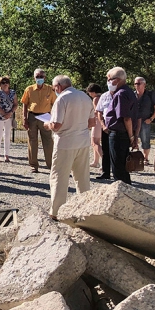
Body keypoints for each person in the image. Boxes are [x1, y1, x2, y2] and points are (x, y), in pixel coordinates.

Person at [43, 75, 95, 217]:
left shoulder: (62, 99)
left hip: (65, 143)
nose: (55, 91)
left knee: (59, 177)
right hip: (83, 141)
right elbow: (92, 123)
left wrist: (47, 124)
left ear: (58, 86)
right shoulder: (86, 97)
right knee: (83, 178)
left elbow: (56, 125)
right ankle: (84, 209)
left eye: (54, 88)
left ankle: (56, 211)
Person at [105, 67, 138, 184]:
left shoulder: (121, 94)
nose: (108, 82)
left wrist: (131, 137)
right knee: (122, 167)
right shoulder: (128, 92)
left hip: (118, 134)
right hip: (123, 134)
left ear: (117, 80)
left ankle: (123, 194)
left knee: (118, 169)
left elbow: (127, 118)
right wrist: (134, 135)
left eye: (109, 79)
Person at [21, 68, 57, 173]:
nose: (39, 78)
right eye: (37, 76)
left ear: (45, 78)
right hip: (32, 116)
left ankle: (51, 165)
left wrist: (54, 117)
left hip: (46, 117)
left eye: (41, 76)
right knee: (32, 141)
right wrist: (24, 118)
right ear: (34, 78)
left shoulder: (50, 89)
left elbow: (55, 104)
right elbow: (24, 103)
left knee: (48, 141)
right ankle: (33, 165)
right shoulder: (29, 89)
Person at [134, 77, 155, 165]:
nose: (137, 85)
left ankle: (145, 158)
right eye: (135, 84)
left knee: (145, 140)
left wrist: (151, 119)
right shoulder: (132, 95)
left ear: (144, 84)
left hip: (145, 121)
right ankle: (134, 157)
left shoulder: (150, 95)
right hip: (134, 121)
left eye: (139, 83)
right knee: (132, 139)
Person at [0, 76, 17, 162]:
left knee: (7, 136)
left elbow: (15, 104)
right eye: (3, 82)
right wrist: (4, 113)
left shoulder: (13, 93)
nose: (5, 84)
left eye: (6, 82)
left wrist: (10, 113)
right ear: (0, 84)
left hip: (9, 117)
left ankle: (6, 155)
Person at [95, 87, 114, 180]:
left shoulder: (122, 94)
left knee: (117, 151)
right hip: (106, 126)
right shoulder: (104, 96)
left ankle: (118, 173)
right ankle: (106, 172)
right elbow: (99, 111)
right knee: (106, 150)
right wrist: (103, 125)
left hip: (118, 126)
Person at [85, 83, 104, 168]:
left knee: (94, 142)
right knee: (97, 141)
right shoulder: (103, 97)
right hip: (102, 121)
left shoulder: (96, 99)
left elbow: (96, 111)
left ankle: (105, 161)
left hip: (97, 121)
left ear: (93, 92)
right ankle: (95, 161)